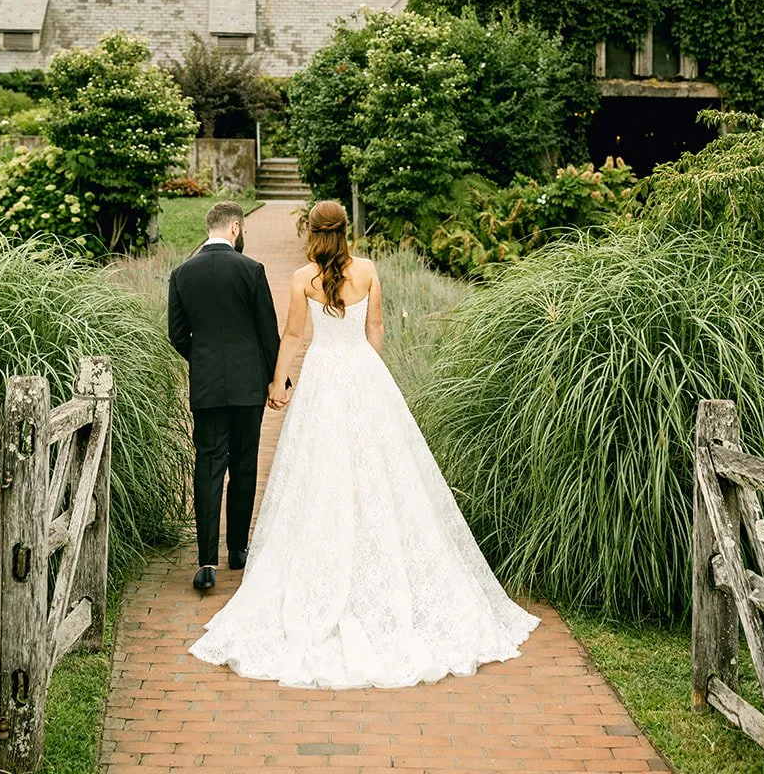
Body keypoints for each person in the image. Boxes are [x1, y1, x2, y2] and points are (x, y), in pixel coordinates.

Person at [189, 199, 539, 689]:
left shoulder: (300, 278)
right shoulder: (370, 270)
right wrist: (371, 374)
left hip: (324, 379)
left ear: (311, 232)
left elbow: (291, 336)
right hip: (362, 374)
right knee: (379, 470)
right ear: (346, 230)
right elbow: (375, 330)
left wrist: (278, 383)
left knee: (318, 473)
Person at [167, 200, 282, 593]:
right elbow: (268, 331)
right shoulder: (250, 270)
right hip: (249, 384)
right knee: (244, 463)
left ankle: (205, 563)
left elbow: (177, 334)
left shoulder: (182, 273)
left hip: (207, 385)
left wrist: (202, 358)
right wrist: (273, 379)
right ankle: (238, 549)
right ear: (235, 228)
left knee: (209, 465)